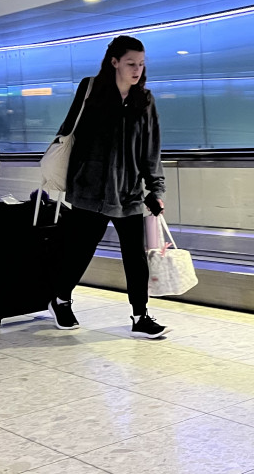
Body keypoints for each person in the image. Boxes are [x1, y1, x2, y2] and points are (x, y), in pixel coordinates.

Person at [48, 35, 168, 338]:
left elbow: (151, 148)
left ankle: (140, 315)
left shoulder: (145, 100)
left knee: (135, 256)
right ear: (114, 62)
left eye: (141, 64)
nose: (137, 69)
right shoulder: (91, 90)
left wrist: (155, 189)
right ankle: (60, 298)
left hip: (128, 191)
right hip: (90, 188)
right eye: (130, 63)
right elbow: (68, 132)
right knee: (81, 250)